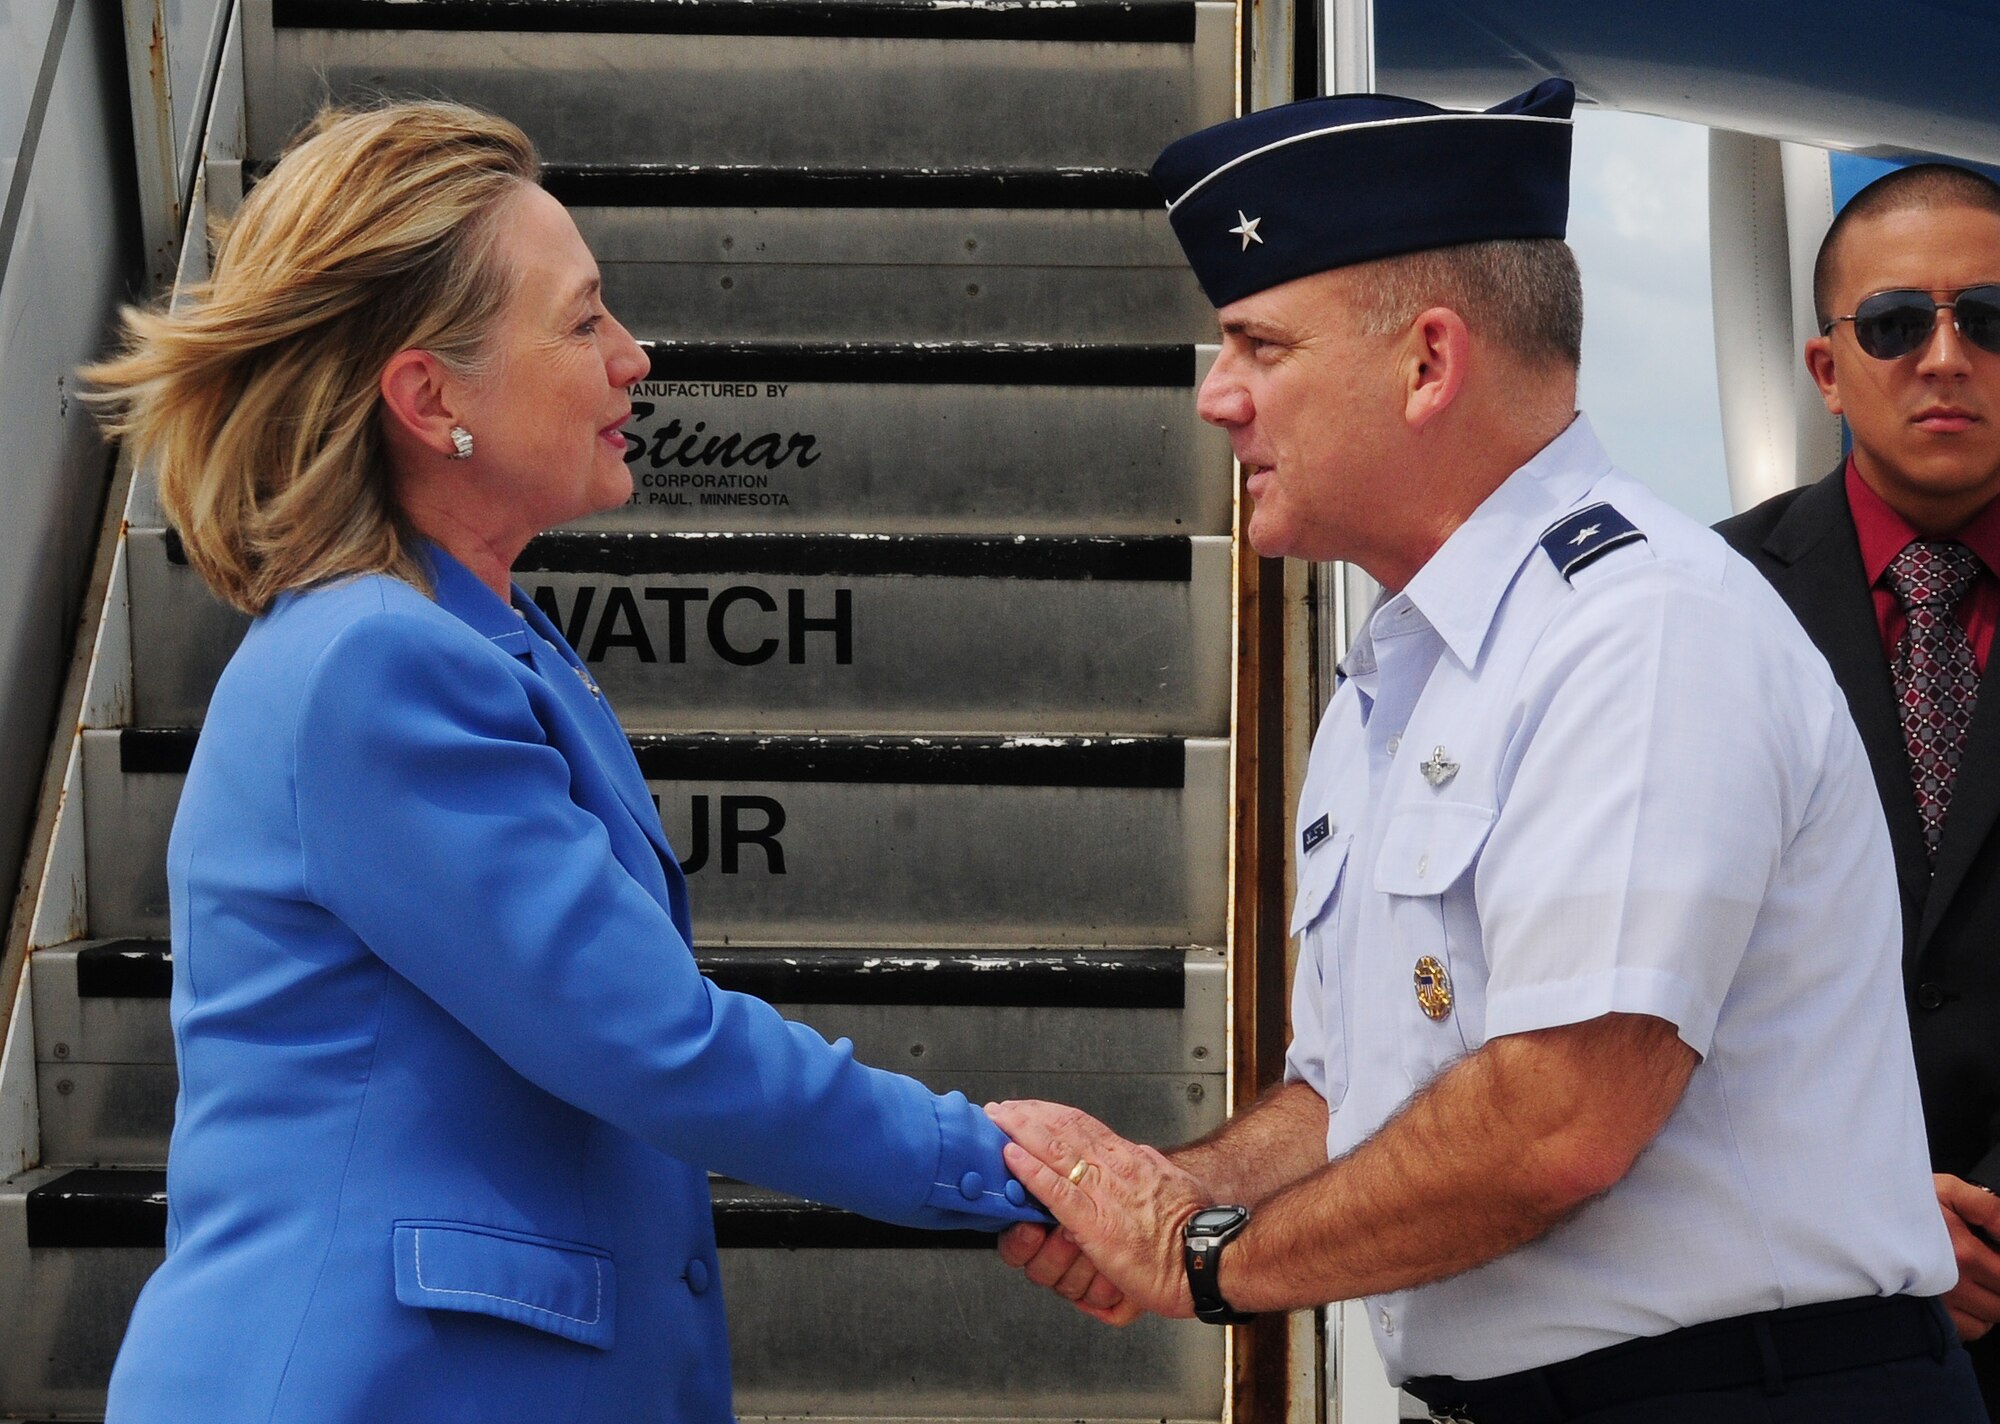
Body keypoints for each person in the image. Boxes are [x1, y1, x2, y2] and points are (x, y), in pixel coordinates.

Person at [986, 79, 1986, 1421]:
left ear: (1429, 364)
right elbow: (1356, 1100)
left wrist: (1207, 1260)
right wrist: (1173, 1189)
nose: (1216, 398)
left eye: (1259, 346)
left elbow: (1558, 1120)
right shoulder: (1396, 686)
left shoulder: (1639, 632)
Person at [81, 101, 1045, 1424]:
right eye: (584, 321)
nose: (634, 358)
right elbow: (652, 1041)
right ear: (430, 397)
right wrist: (1001, 1163)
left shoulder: (477, 641)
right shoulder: (380, 667)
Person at [1718, 161, 2000, 1417]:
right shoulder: (1694, 607)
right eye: (1893, 324)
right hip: (1784, 1315)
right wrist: (1857, 1206)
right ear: (1825, 369)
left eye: (1987, 319)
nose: (1943, 356)